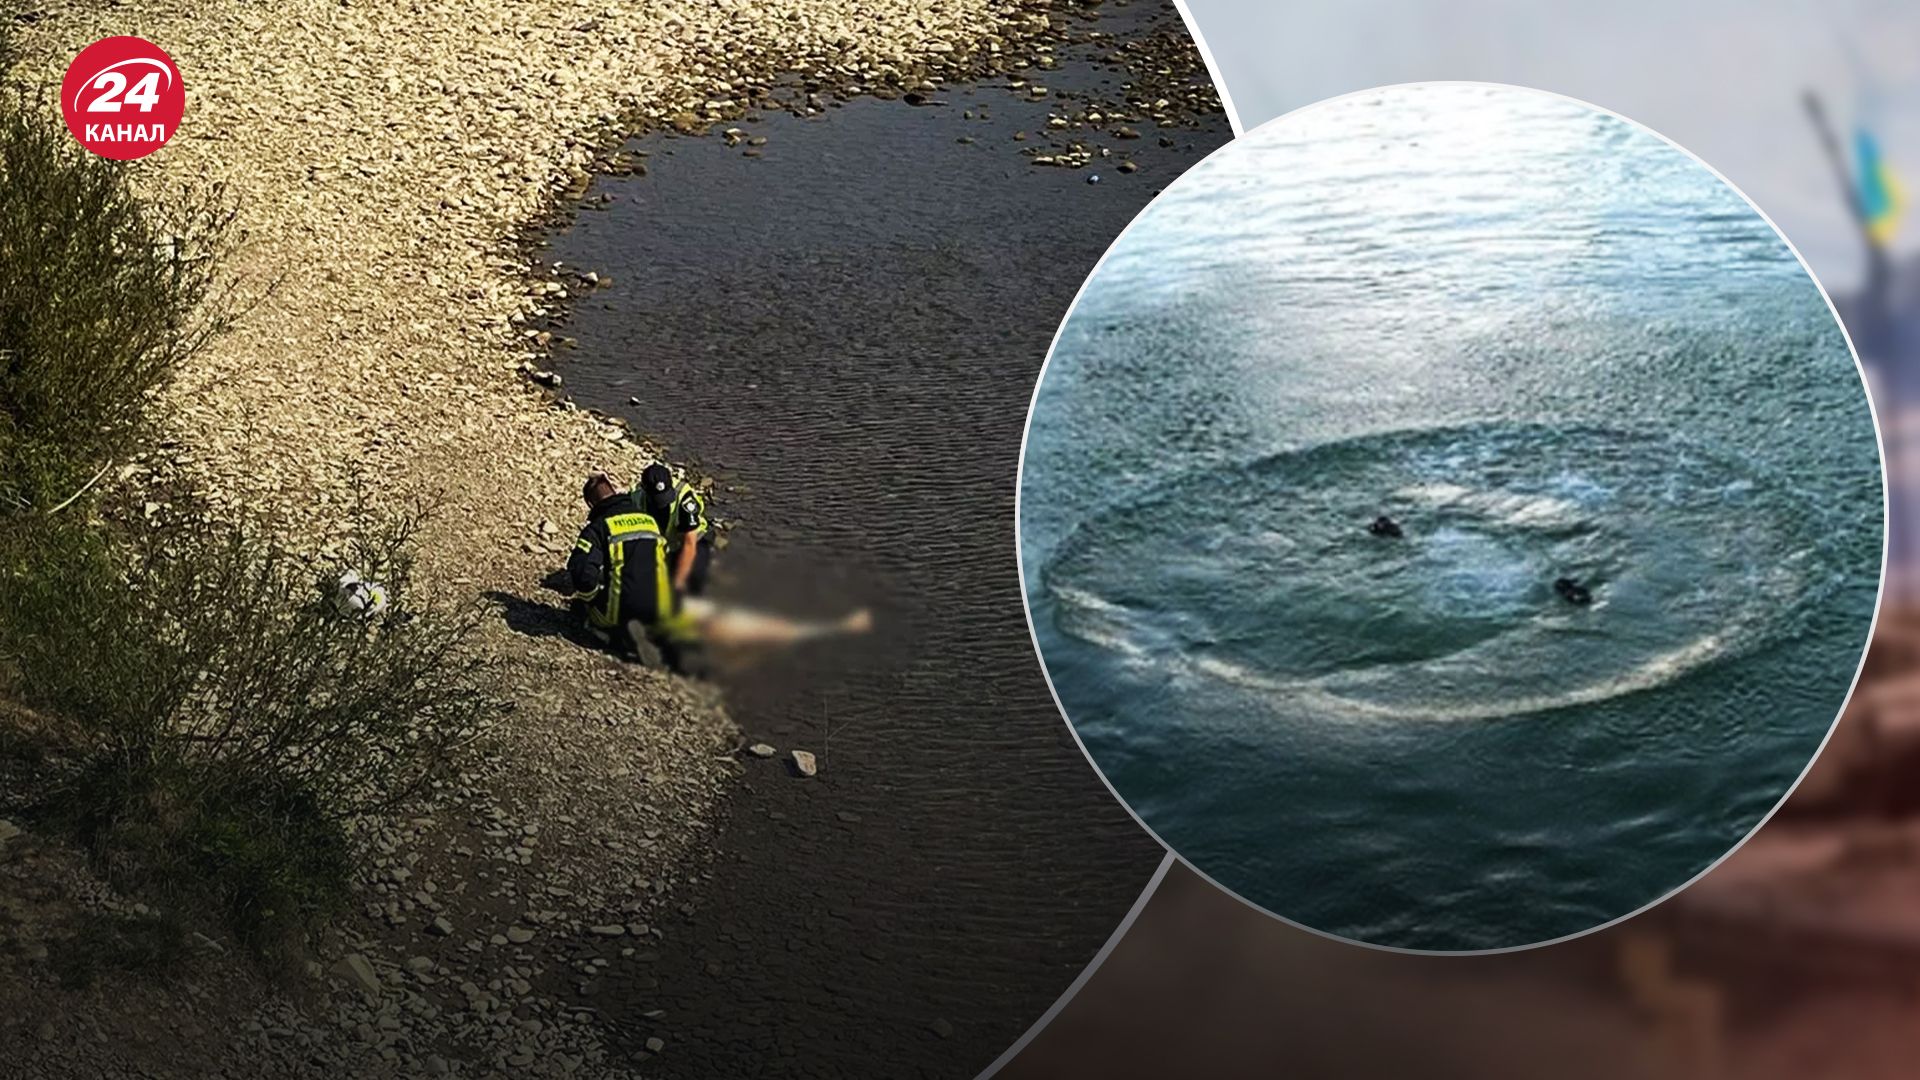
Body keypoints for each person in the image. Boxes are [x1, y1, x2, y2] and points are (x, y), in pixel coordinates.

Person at [567, 471, 691, 668]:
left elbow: (581, 573)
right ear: (615, 491)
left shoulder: (598, 527)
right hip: (659, 604)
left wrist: (591, 598)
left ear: (591, 504)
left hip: (623, 607)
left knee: (581, 610)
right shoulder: (649, 520)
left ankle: (615, 638)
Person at [635, 462, 713, 596]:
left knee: (692, 578)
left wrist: (677, 584)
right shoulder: (635, 498)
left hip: (692, 541)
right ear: (644, 490)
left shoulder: (685, 499)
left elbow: (690, 544)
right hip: (664, 545)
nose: (663, 503)